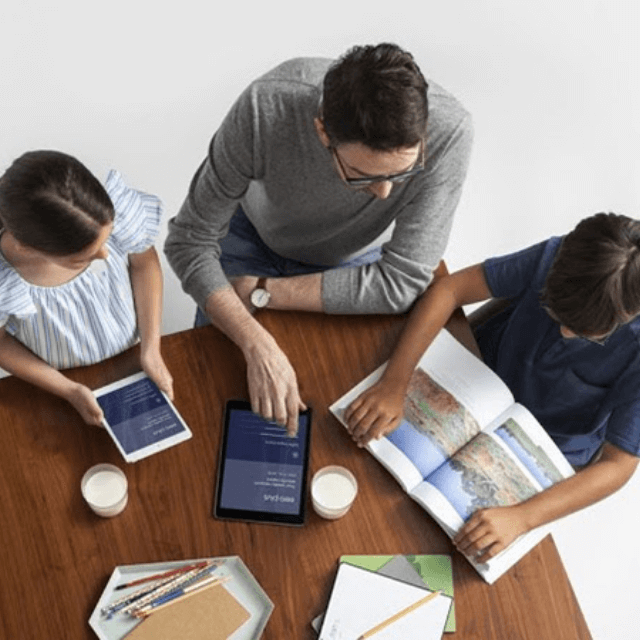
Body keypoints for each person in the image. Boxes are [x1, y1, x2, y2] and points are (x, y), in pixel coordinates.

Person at [165, 43, 473, 434]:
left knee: (330, 409)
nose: (384, 195)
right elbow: (189, 241)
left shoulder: (451, 135)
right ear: (322, 130)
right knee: (211, 403)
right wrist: (255, 343)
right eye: (363, 175)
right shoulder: (266, 106)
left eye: (402, 174)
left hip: (349, 264)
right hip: (251, 237)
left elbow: (401, 282)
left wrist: (263, 292)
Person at [344, 212, 640, 563]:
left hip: (544, 444)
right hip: (476, 377)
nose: (563, 334)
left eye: (587, 334)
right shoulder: (560, 255)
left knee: (440, 547)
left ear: (628, 315)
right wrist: (394, 382)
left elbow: (618, 465)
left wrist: (522, 518)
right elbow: (450, 289)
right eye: (555, 314)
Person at [0, 150, 173, 425]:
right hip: (58, 385)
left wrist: (151, 348)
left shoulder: (106, 215)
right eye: (82, 259)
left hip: (133, 357)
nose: (105, 255)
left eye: (106, 240)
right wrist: (69, 390)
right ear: (28, 248)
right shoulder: (4, 281)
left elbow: (143, 262)